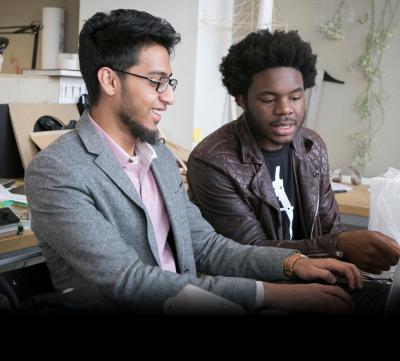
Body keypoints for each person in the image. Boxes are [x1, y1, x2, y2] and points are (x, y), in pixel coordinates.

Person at [25, 10, 361, 315]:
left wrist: (292, 263)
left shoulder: (159, 159)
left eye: (168, 82)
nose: (169, 96)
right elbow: (127, 281)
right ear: (110, 80)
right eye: (156, 82)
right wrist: (273, 294)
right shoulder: (57, 171)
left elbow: (208, 247)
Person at [187, 29, 400, 276]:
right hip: (256, 292)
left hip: (317, 281)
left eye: (296, 97)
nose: (285, 109)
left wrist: (352, 248)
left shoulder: (312, 146)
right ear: (242, 99)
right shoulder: (214, 162)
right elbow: (250, 251)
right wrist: (340, 246)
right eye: (269, 99)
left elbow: (331, 228)